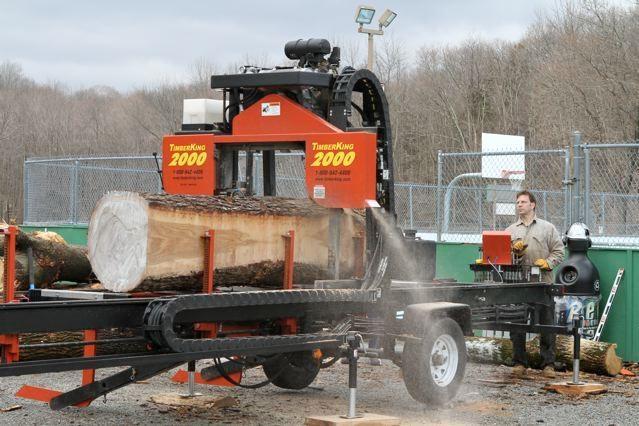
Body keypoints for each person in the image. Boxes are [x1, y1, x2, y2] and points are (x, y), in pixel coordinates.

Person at [506, 190, 564, 378]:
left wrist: (548, 263)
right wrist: (515, 253)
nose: (519, 205)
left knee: (547, 324)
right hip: (518, 284)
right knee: (517, 323)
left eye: (523, 202)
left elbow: (559, 251)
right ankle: (519, 363)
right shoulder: (510, 230)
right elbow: (504, 257)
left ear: (533, 205)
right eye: (517, 202)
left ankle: (548, 364)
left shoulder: (547, 228)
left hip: (542, 284)